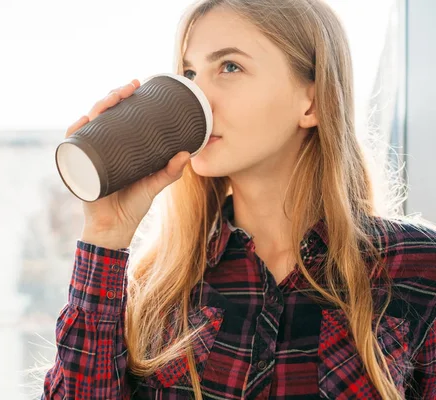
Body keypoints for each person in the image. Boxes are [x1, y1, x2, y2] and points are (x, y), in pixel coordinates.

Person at [39, 0, 436, 398]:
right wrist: (106, 233)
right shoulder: (155, 291)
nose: (198, 95)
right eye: (190, 72)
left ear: (311, 103)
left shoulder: (416, 269)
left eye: (229, 67)